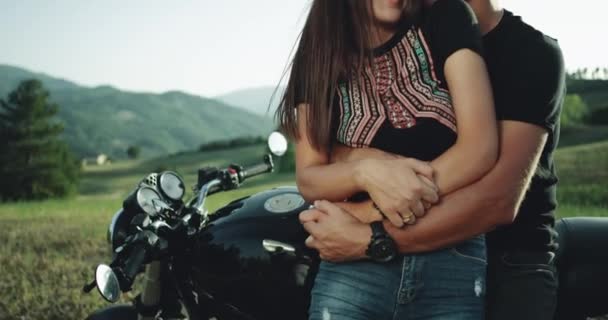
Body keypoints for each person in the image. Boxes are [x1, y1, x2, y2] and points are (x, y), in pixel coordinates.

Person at [299, 0, 565, 319]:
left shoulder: (531, 52)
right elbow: (346, 146)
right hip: (425, 246)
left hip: (510, 256)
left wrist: (368, 228)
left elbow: (496, 200)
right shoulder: (407, 35)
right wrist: (360, 162)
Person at [276, 0, 497, 318]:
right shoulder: (319, 50)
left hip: (451, 256)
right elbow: (309, 177)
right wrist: (364, 172)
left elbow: (479, 148)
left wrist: (374, 210)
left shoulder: (448, 16)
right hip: (353, 272)